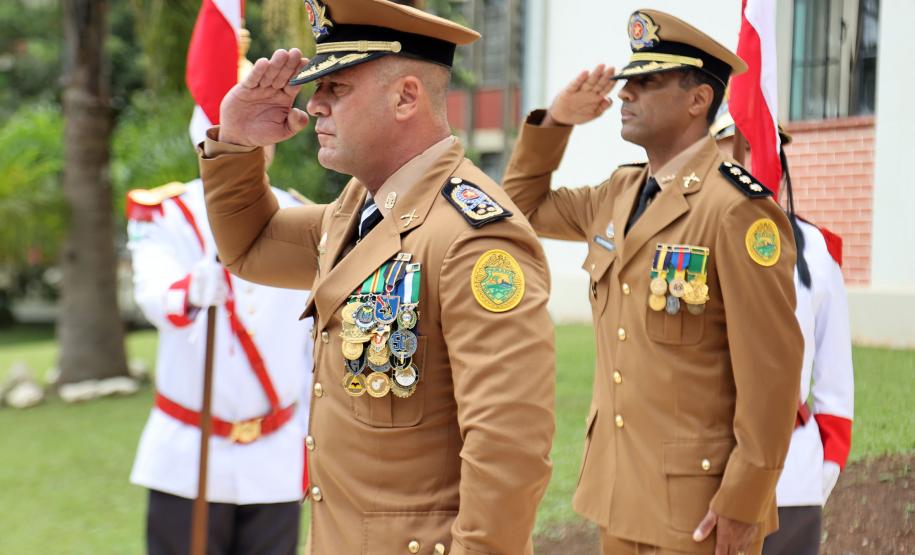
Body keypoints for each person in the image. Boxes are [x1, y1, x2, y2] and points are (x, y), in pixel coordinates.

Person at [197, 0, 556, 553]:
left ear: (406, 97)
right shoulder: (358, 210)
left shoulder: (473, 236)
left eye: (335, 88)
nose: (314, 105)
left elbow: (509, 446)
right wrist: (237, 143)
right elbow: (249, 246)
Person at [503, 9, 804, 555]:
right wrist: (557, 122)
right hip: (619, 496)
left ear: (698, 100)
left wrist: (744, 501)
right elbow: (518, 209)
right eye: (627, 82)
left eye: (648, 82)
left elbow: (773, 373)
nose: (625, 93)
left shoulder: (735, 209)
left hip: (698, 513)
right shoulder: (616, 194)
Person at [127, 140, 315, 553]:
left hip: (276, 455)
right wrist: (190, 290)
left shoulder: (303, 216)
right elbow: (153, 294)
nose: (253, 143)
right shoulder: (170, 211)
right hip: (189, 456)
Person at [712, 111, 855, 555]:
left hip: (791, 474)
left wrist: (824, 467)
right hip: (698, 471)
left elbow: (834, 377)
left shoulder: (814, 248)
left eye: (760, 148)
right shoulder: (682, 238)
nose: (749, 159)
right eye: (736, 146)